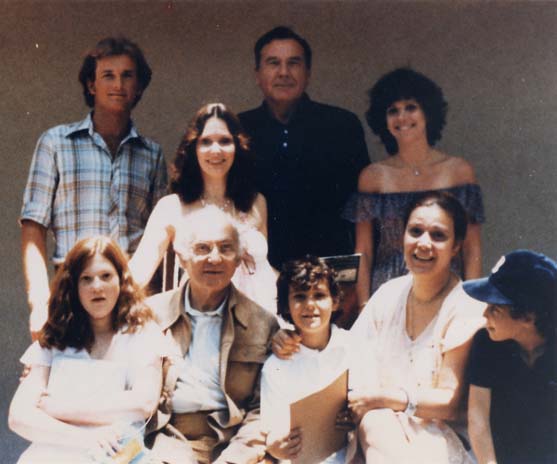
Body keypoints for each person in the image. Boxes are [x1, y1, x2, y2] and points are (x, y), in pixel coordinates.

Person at [272, 192, 485, 463]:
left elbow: (449, 402)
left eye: (438, 235)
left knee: (377, 425)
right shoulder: (388, 294)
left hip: (437, 437)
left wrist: (384, 399)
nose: (424, 244)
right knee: (376, 425)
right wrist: (290, 337)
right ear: (402, 236)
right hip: (376, 430)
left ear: (456, 247)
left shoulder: (463, 306)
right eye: (416, 231)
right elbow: (341, 351)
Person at [20, 37, 168, 338]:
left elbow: (161, 238)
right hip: (71, 292)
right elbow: (33, 228)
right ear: (91, 85)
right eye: (108, 75)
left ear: (138, 87)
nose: (118, 84)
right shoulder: (56, 144)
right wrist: (38, 300)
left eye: (127, 75)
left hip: (131, 295)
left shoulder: (151, 154)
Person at [9, 236, 165, 463]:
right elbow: (19, 417)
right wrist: (85, 438)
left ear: (121, 280)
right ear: (73, 285)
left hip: (116, 455)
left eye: (106, 276)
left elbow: (143, 404)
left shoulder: (142, 334)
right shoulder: (56, 337)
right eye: (86, 279)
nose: (97, 287)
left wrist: (57, 408)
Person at [145, 206, 279, 464]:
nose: (215, 258)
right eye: (203, 248)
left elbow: (263, 409)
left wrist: (235, 459)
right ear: (182, 258)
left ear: (238, 259)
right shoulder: (151, 315)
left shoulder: (262, 324)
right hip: (168, 443)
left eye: (226, 248)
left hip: (234, 443)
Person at [343, 67, 484, 305]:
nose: (402, 117)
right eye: (393, 110)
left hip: (446, 291)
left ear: (428, 112)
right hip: (387, 294)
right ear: (383, 119)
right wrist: (364, 306)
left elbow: (471, 248)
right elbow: (364, 251)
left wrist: (471, 303)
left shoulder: (459, 171)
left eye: (411, 107)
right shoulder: (372, 177)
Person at [239, 26, 369, 270]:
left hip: (330, 272)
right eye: (273, 63)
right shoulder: (237, 130)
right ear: (257, 74)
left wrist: (357, 278)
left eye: (294, 63)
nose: (284, 72)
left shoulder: (342, 126)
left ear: (308, 73)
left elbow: (363, 213)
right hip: (259, 274)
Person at [129, 103, 277, 312]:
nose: (215, 150)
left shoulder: (256, 203)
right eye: (206, 142)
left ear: (237, 146)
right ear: (193, 148)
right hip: (194, 324)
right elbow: (138, 272)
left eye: (224, 141)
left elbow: (263, 271)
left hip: (252, 325)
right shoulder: (171, 207)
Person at [261, 256, 377, 463]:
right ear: (286, 305)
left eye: (319, 295)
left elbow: (370, 401)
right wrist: (278, 445)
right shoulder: (277, 365)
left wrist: (355, 414)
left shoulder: (355, 347)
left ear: (335, 302)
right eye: (300, 297)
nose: (310, 305)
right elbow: (272, 428)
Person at [464, 250, 557, 464]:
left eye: (494, 309)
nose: (484, 315)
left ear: (527, 317)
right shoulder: (486, 343)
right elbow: (478, 417)